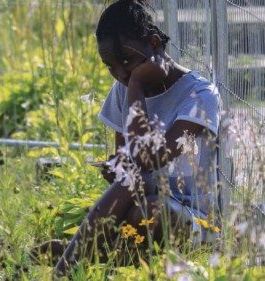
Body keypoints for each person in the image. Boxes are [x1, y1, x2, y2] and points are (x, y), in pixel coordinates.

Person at [52, 0, 221, 275]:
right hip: (142, 205)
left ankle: (69, 263)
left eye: (127, 61)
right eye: (110, 66)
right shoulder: (125, 88)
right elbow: (127, 162)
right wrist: (115, 166)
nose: (120, 74)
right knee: (137, 205)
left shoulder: (200, 96)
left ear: (154, 44)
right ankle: (91, 255)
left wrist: (136, 86)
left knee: (147, 211)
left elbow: (147, 158)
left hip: (198, 223)